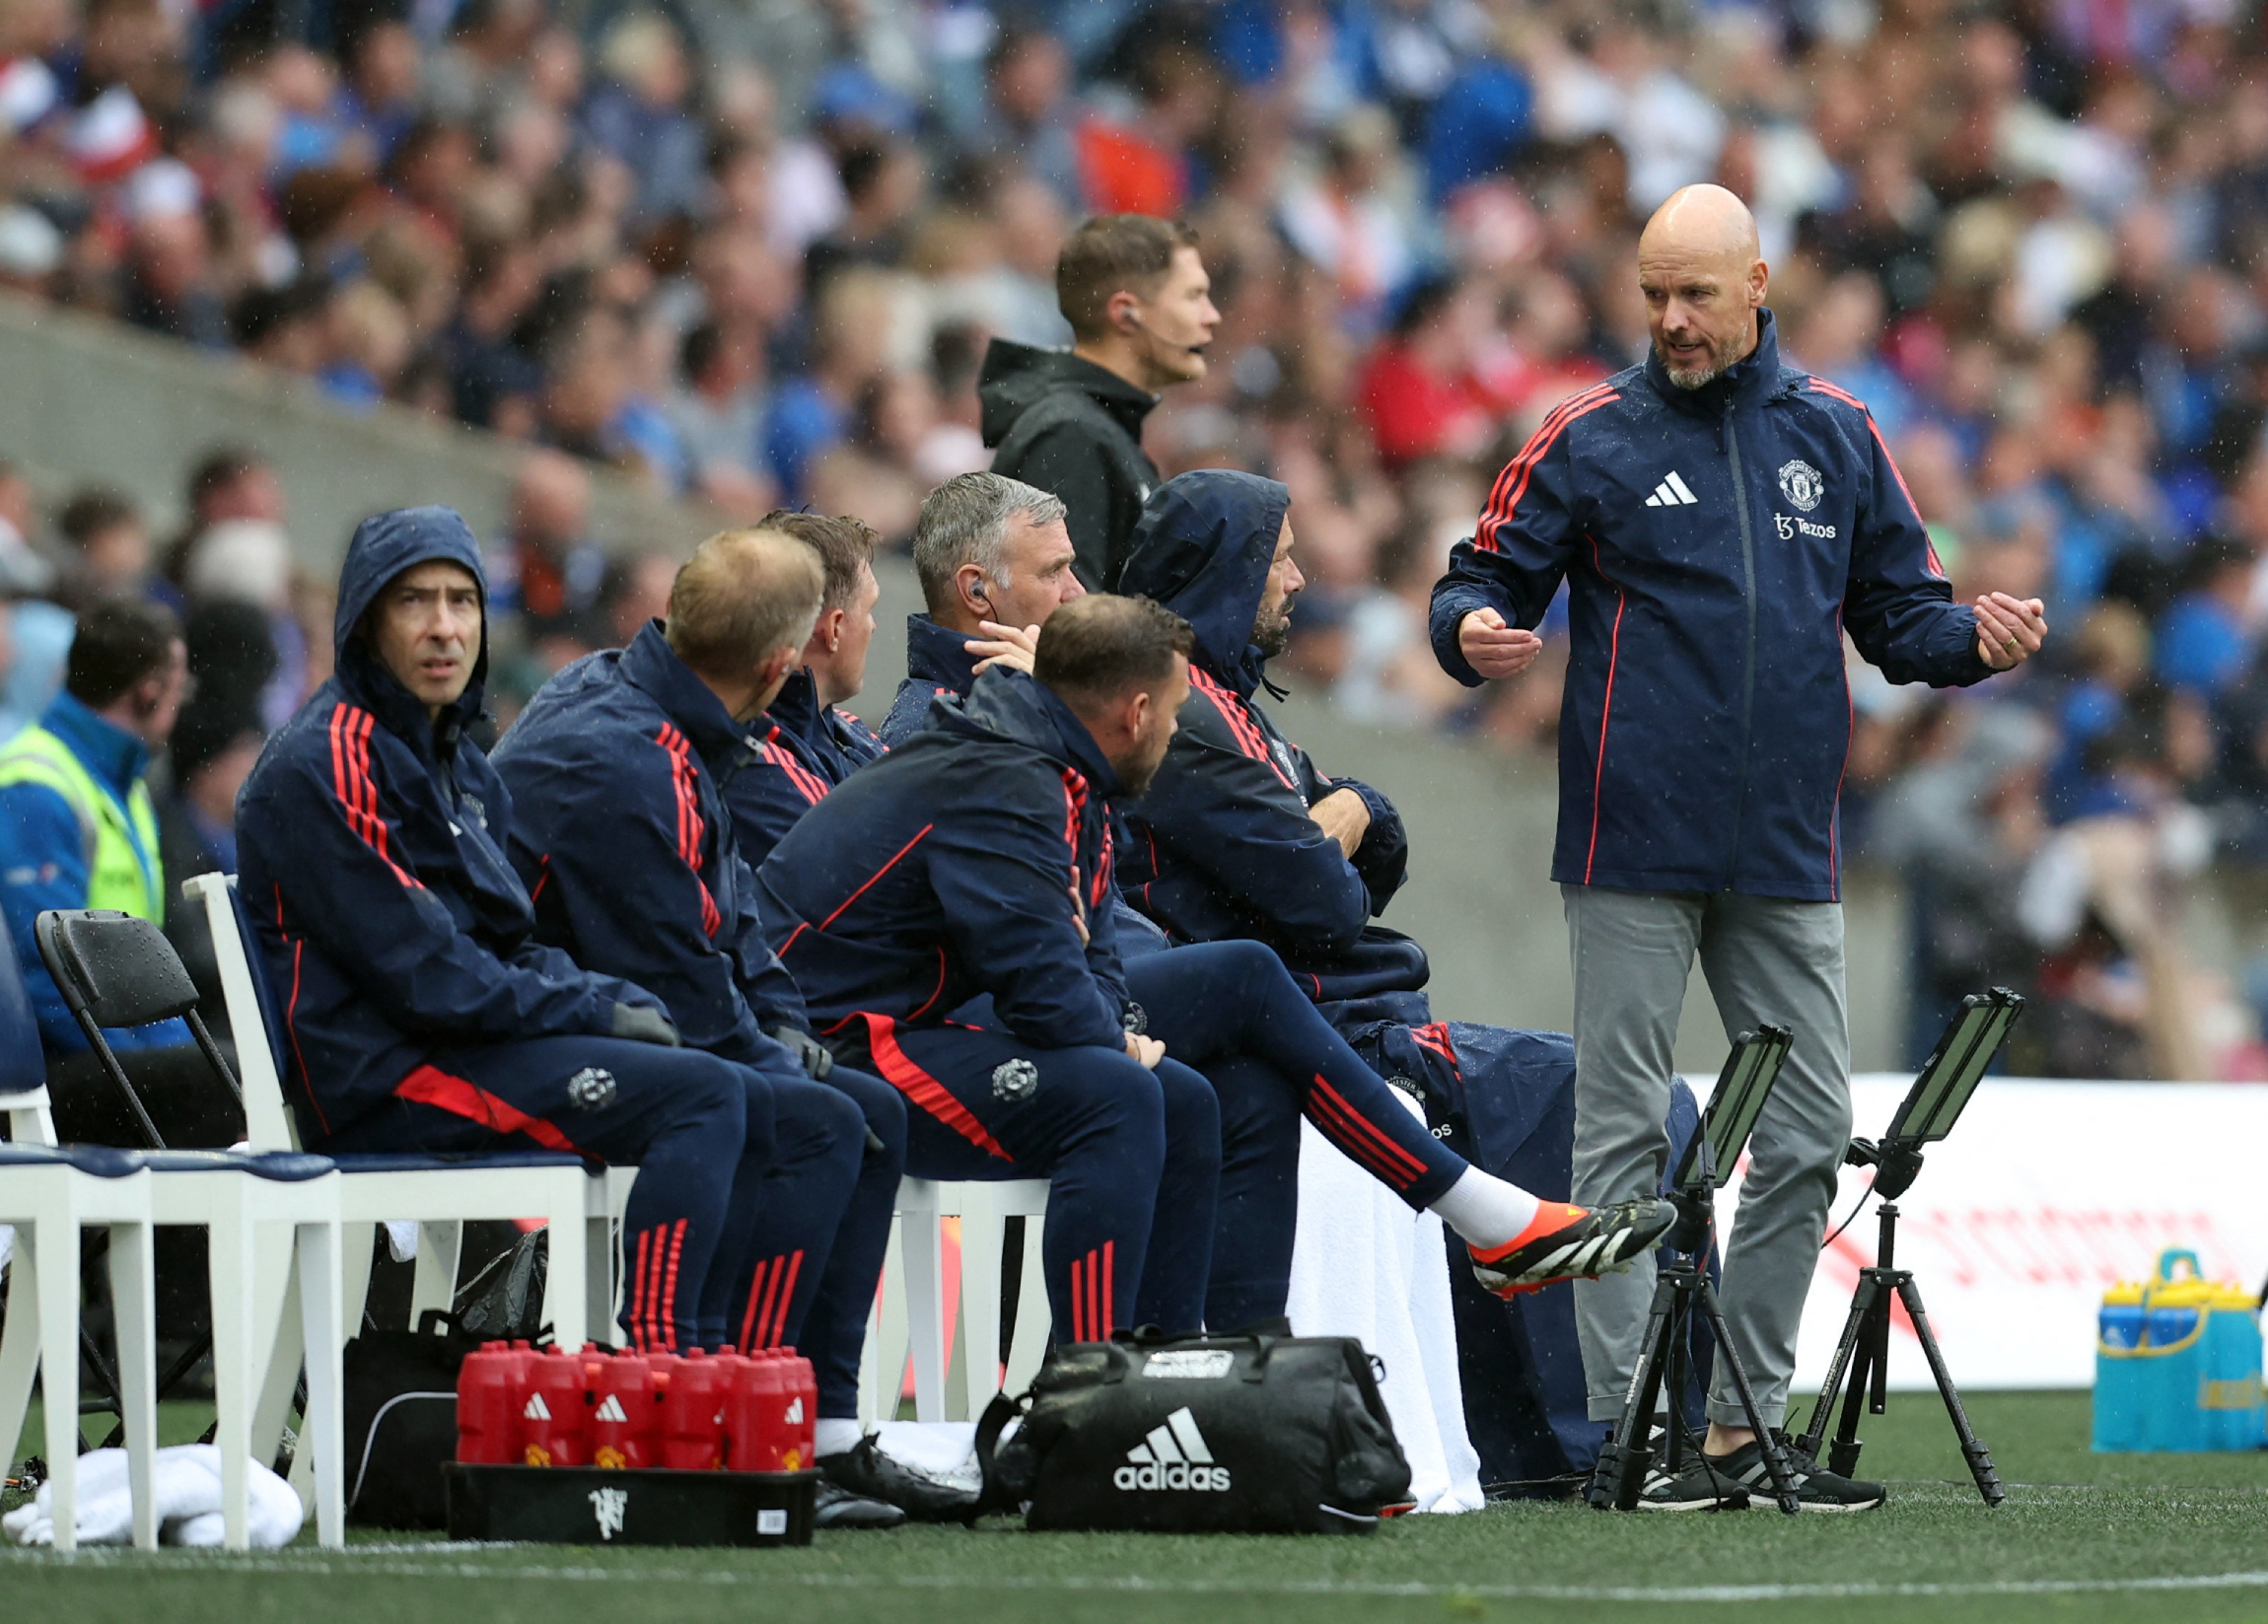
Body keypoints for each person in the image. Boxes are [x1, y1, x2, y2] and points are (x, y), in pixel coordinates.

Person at [1426, 185, 2049, 1511]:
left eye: (1695, 293)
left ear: (1757, 283)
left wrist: (1973, 643)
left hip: (1782, 846)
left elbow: (1901, 617)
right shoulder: (1588, 436)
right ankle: (1628, 1432)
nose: (1670, 318)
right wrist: (1466, 627)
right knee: (1618, 1140)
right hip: (1630, 839)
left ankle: (1735, 1430)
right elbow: (1479, 572)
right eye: (1652, 293)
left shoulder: (1836, 431)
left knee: (1814, 1134)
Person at [759, 594, 1670, 1338]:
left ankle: (1226, 1371)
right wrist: (1105, 1039)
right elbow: (1032, 968)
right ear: (1140, 710)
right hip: (837, 1041)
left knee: (1212, 1081)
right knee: (1137, 1075)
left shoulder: (1057, 763)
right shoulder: (1009, 772)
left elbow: (1087, 947)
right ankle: (1090, 1392)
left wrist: (1110, 1018)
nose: (1181, 738)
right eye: (1175, 717)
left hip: (910, 1020)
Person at [236, 506, 795, 1357]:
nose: (443, 627)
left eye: (462, 602)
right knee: (708, 1096)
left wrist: (607, 996)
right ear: (362, 620)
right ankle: (660, 1372)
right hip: (385, 1078)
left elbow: (509, 942)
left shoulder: (458, 760)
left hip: (464, 1047)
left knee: (741, 1087)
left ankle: (726, 1371)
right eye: (413, 602)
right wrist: (596, 1012)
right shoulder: (325, 760)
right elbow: (427, 976)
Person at [488, 526, 905, 1518]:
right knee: (803, 1116)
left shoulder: (660, 708)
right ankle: (713, 1400)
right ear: (776, 668)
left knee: (861, 1111)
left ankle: (826, 1430)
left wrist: (787, 1030)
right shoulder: (628, 761)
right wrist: (776, 1056)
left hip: (609, 1005)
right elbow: (681, 984)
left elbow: (739, 926)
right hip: (524, 1025)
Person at [0, 600, 240, 1146]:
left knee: (241, 1068)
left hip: (102, 1050)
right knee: (224, 1084)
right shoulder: (35, 785)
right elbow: (44, 979)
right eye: (180, 691)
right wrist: (168, 1064)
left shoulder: (122, 784)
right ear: (149, 693)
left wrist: (178, 1052)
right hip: (50, 1067)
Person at [979, 214, 1219, 590]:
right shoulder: (1071, 436)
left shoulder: (1096, 428)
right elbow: (1066, 622)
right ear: (1125, 313)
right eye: (1193, 296)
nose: (1212, 316)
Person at [718, 512, 886, 867]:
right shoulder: (752, 761)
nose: (873, 627)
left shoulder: (847, 727)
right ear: (834, 629)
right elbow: (874, 881)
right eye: (870, 609)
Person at [878, 471, 1085, 748]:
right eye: (1052, 572)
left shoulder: (1040, 694)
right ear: (977, 590)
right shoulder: (932, 735)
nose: (1077, 592)